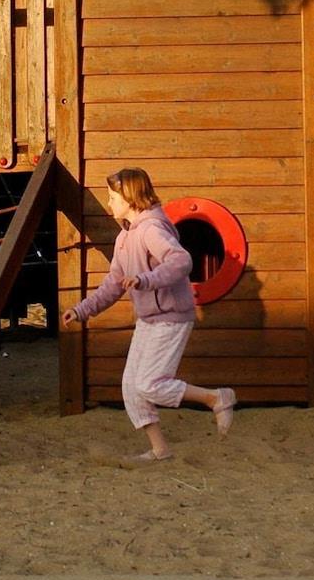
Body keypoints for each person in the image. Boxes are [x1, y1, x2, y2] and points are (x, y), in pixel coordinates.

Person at [62, 167, 236, 464]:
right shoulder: (124, 238)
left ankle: (216, 398)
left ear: (130, 197)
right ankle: (160, 450)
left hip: (171, 316)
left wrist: (146, 280)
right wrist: (82, 310)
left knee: (150, 384)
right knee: (131, 387)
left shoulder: (152, 229)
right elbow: (113, 285)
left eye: (113, 197)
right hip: (149, 319)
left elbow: (181, 261)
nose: (109, 202)